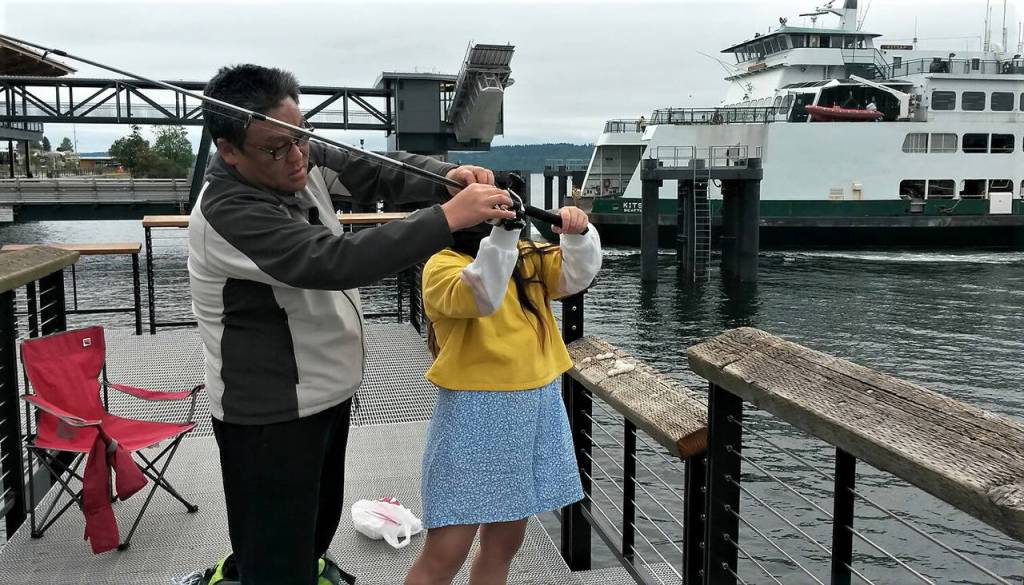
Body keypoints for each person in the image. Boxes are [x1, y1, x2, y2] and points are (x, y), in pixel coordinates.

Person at [187, 64, 517, 585]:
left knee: (313, 530)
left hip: (326, 394)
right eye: (277, 148)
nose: (298, 157)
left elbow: (375, 168)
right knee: (276, 555)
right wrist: (448, 217)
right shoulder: (229, 211)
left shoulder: (297, 154)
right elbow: (331, 261)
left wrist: (444, 178)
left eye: (302, 137)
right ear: (229, 151)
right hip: (270, 413)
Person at [405, 207, 602, 585]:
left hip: (535, 407)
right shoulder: (441, 265)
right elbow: (482, 294)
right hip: (474, 415)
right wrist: (505, 235)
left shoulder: (526, 257)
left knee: (505, 544)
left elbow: (577, 274)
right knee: (447, 551)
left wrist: (578, 234)